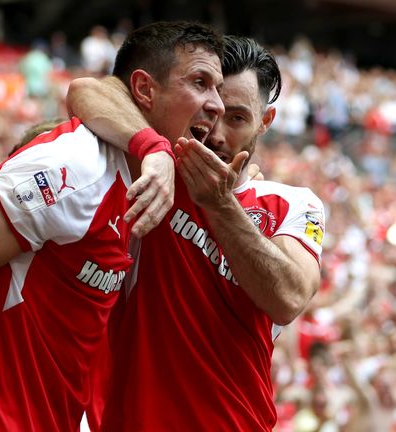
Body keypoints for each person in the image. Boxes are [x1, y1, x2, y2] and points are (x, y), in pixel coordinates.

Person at [0, 21, 224, 431]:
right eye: (200, 82)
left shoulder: (141, 183)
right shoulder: (78, 165)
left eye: (218, 90)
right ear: (144, 90)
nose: (217, 105)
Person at [67, 35, 324, 430]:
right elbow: (87, 90)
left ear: (265, 122)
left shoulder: (292, 204)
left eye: (237, 118)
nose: (216, 132)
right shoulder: (163, 167)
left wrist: (219, 205)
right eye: (211, 110)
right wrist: (152, 149)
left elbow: (288, 297)